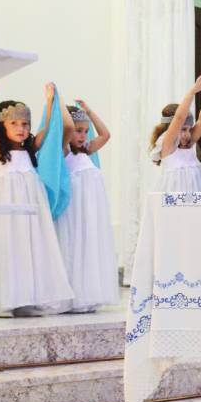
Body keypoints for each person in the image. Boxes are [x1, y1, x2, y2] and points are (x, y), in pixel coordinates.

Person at [0, 81, 73, 317]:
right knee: (7, 249)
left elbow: (46, 130)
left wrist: (49, 102)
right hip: (6, 212)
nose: (21, 128)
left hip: (30, 212)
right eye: (13, 123)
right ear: (2, 127)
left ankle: (28, 299)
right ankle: (4, 301)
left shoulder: (30, 151)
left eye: (25, 124)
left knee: (30, 251)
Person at [55, 100, 116, 313]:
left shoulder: (87, 150)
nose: (82, 136)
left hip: (91, 209)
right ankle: (72, 294)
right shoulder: (64, 152)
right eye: (78, 131)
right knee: (74, 243)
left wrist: (89, 111)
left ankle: (88, 293)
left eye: (85, 131)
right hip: (75, 209)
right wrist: (59, 106)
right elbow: (66, 127)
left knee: (89, 244)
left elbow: (106, 134)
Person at [149, 74, 201, 192]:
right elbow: (179, 118)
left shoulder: (189, 144)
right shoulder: (168, 146)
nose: (188, 134)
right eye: (183, 129)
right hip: (175, 201)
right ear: (170, 128)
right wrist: (192, 92)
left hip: (193, 200)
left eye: (189, 129)